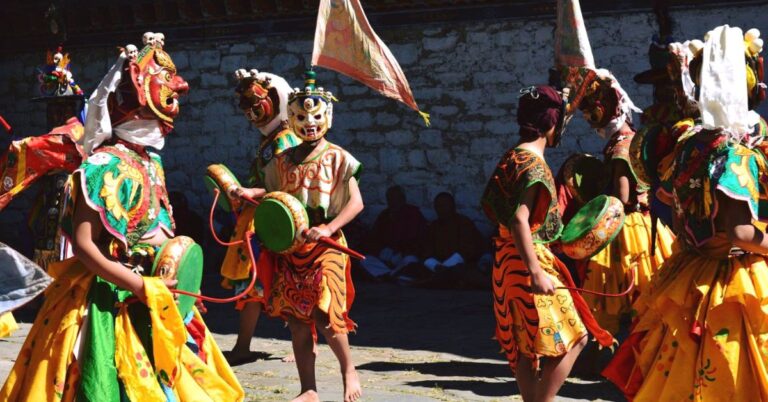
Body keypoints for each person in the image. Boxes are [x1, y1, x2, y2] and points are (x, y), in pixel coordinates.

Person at [0, 34, 244, 401]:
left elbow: (159, 223)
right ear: (129, 107)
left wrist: (181, 285)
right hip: (108, 294)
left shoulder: (150, 160)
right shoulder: (101, 165)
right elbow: (84, 245)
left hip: (160, 292)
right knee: (107, 381)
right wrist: (139, 286)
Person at [603, 25, 768, 401]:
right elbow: (741, 233)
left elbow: (679, 220)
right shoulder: (736, 153)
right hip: (732, 281)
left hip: (688, 270)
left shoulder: (685, 143)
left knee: (678, 378)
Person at [235, 70, 363, 402]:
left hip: (325, 247)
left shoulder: (337, 158)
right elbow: (275, 197)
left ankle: (348, 369)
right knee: (295, 320)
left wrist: (328, 229)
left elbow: (356, 203)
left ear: (327, 117)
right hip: (290, 250)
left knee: (325, 313)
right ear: (290, 118)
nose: (308, 122)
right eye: (300, 116)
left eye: (315, 116)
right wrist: (248, 192)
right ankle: (308, 389)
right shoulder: (281, 161)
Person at [481, 84, 614, 402]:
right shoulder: (534, 166)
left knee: (527, 349)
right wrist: (536, 272)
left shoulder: (510, 158)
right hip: (529, 262)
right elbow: (519, 220)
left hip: (505, 264)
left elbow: (497, 211)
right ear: (552, 124)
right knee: (577, 338)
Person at [219, 68, 301, 365]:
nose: (253, 115)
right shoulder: (273, 140)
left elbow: (285, 186)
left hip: (276, 222)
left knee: (285, 282)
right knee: (254, 286)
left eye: (258, 105)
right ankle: (243, 345)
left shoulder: (285, 140)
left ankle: (304, 343)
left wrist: (251, 193)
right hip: (259, 220)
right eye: (248, 109)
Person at [359, 185, 427, 279]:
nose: (393, 202)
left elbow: (419, 239)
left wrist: (401, 252)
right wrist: (382, 251)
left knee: (411, 261)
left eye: (396, 198)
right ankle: (392, 274)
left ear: (403, 199)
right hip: (385, 257)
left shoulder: (414, 214)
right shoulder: (384, 216)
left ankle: (390, 274)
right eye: (390, 199)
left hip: (403, 256)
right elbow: (374, 238)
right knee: (365, 260)